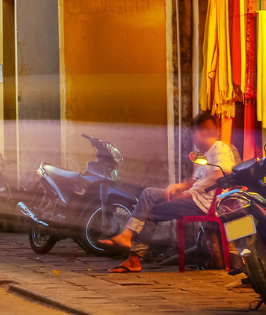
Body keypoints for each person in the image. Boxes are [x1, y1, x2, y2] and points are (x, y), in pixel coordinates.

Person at [100, 112, 237, 272]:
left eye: (194, 133)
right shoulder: (205, 155)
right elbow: (193, 181)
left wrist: (191, 192)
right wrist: (178, 187)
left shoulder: (220, 147)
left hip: (203, 203)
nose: (194, 138)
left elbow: (221, 174)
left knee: (150, 205)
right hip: (194, 198)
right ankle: (130, 246)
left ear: (201, 132)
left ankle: (131, 249)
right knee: (149, 199)